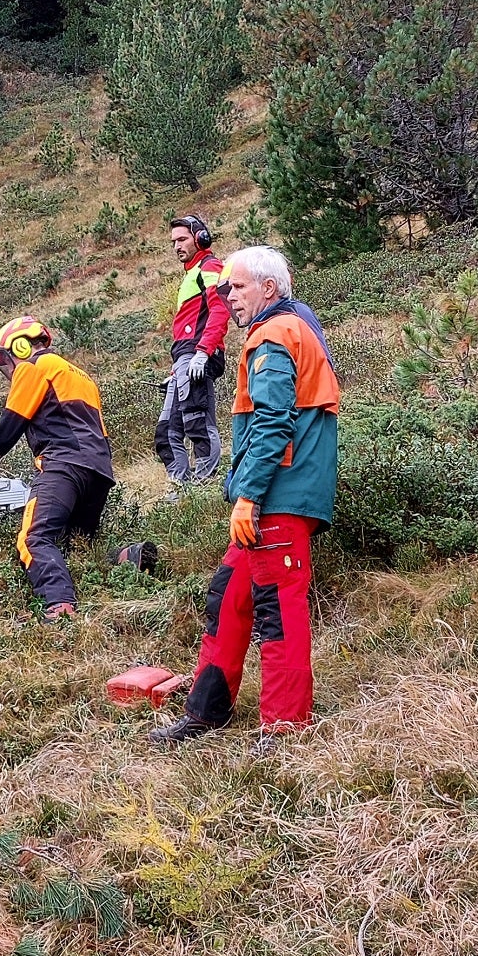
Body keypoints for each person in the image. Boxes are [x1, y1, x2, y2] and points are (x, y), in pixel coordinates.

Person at [155, 246, 339, 746]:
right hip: (273, 498)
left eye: (236, 287)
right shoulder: (292, 325)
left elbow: (274, 421)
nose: (226, 296)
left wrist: (248, 496)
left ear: (269, 289)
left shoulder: (274, 334)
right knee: (229, 597)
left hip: (276, 500)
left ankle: (284, 727)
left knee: (277, 610)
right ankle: (206, 712)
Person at [0, 315, 114, 621]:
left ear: (20, 346)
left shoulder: (35, 367)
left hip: (63, 467)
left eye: (5, 360)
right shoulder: (81, 376)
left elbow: (12, 422)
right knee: (77, 543)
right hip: (99, 472)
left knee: (33, 538)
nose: (8, 371)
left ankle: (59, 605)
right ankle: (126, 559)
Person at [155, 214, 231, 484]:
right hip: (184, 360)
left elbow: (220, 310)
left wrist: (203, 352)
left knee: (197, 421)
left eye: (182, 239)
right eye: (173, 241)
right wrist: (176, 370)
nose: (177, 246)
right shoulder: (191, 275)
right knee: (166, 431)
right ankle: (181, 489)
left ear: (200, 238)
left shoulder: (210, 267)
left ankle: (205, 484)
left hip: (197, 355)